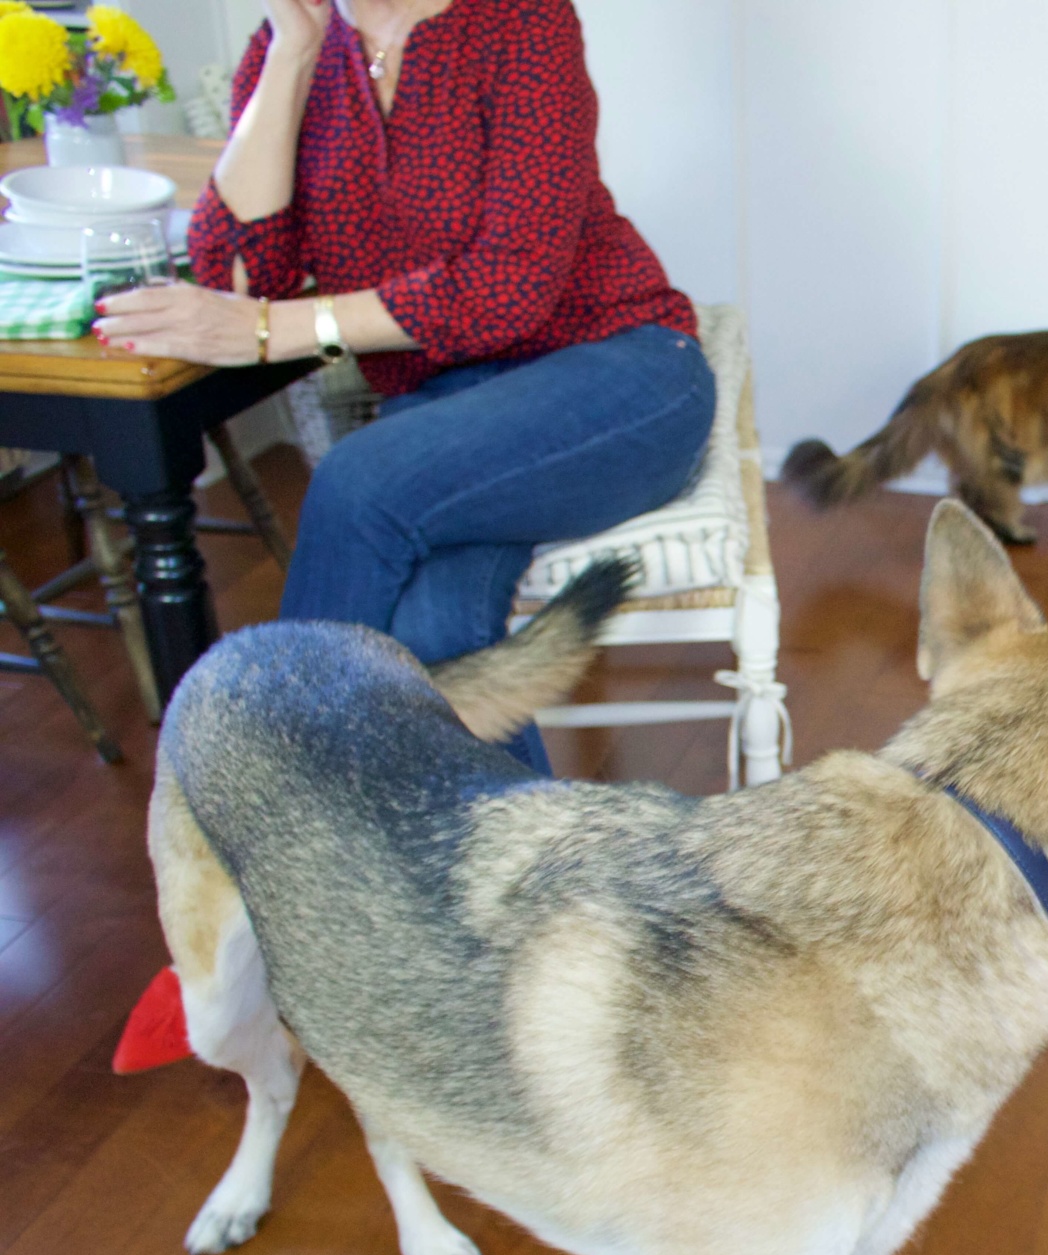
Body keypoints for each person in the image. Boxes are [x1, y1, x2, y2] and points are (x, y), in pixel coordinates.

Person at [94, 0, 716, 773]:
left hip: (620, 375)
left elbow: (508, 288)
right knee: (433, 637)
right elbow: (242, 276)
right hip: (445, 415)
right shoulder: (290, 49)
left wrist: (268, 332)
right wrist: (293, 49)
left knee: (357, 482)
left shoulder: (523, 21)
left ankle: (272, 794)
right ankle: (524, 888)